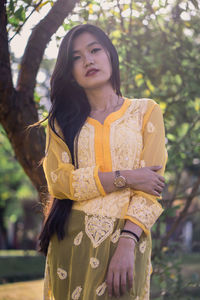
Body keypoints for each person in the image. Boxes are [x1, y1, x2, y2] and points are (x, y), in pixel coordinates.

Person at [38, 24, 167, 300]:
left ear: (110, 55)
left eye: (95, 50)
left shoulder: (145, 111)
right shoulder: (62, 122)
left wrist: (127, 242)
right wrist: (128, 177)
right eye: (76, 57)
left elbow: (151, 189)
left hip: (128, 242)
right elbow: (59, 183)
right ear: (70, 73)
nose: (88, 60)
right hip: (72, 241)